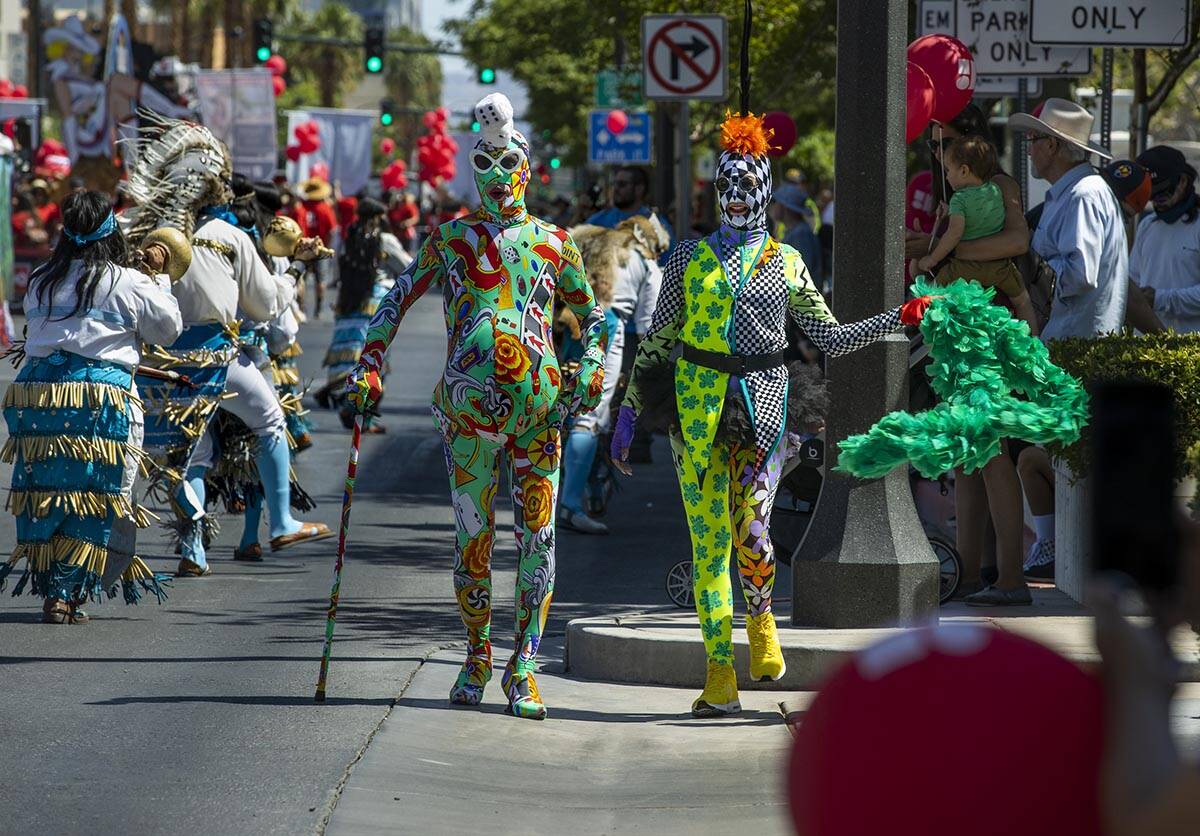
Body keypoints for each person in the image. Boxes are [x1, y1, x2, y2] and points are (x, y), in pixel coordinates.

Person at [611, 109, 935, 718]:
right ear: (717, 186)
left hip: (764, 408)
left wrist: (901, 318)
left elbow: (831, 339)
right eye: (726, 182)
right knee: (708, 548)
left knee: (754, 534)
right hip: (695, 406)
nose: (736, 195)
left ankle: (761, 622)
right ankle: (717, 676)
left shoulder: (787, 262)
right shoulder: (685, 258)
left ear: (764, 186)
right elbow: (657, 340)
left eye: (747, 183)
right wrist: (626, 414)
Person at [346, 93, 606, 721]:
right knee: (472, 541)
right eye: (483, 162)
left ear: (527, 167)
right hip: (466, 415)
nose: (494, 174)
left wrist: (594, 362)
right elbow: (398, 294)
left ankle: (526, 665)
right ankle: (477, 654)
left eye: (506, 161)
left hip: (540, 413)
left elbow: (594, 314)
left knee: (539, 539)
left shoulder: (554, 243)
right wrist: (369, 361)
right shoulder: (452, 238)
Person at [121, 118, 331, 577]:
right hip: (218, 362)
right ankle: (281, 521)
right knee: (271, 420)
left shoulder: (144, 240)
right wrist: (294, 269)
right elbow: (266, 305)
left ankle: (193, 550)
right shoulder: (229, 236)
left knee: (191, 455)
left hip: (158, 368)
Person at [1, 190, 183, 623]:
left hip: (38, 398)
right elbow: (169, 330)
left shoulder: (42, 277)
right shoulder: (128, 281)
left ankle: (55, 588)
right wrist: (158, 277)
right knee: (95, 493)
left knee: (47, 492)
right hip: (97, 398)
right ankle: (69, 589)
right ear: (111, 233)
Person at [907, 103, 1032, 605]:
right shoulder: (957, 193)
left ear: (968, 143)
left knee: (993, 450)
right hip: (959, 325)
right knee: (970, 453)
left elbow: (1017, 241)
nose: (936, 156)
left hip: (989, 324)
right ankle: (970, 568)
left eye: (943, 146)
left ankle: (1011, 578)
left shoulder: (999, 187)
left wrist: (948, 252)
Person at [558, 214, 669, 534]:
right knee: (591, 415)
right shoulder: (646, 262)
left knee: (571, 406)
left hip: (572, 326)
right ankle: (570, 506)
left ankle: (585, 485)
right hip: (607, 327)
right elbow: (651, 325)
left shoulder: (596, 242)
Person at [1010, 98, 1127, 342]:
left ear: (1052, 145)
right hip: (1071, 343)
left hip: (1074, 348)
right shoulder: (1077, 193)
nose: (1029, 150)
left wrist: (1031, 265)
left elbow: (1080, 276)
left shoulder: (1083, 195)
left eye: (1033, 140)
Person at [911, 135, 1039, 334]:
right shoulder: (996, 191)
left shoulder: (959, 199)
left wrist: (932, 257)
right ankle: (1033, 344)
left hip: (964, 269)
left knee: (930, 293)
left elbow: (954, 234)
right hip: (1001, 269)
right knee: (1022, 301)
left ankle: (918, 327)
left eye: (948, 170)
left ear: (963, 170)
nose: (946, 176)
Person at [316, 197, 411, 431]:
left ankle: (349, 404)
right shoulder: (384, 239)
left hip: (349, 302)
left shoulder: (347, 238)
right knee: (375, 359)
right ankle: (364, 417)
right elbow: (409, 267)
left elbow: (339, 272)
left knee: (350, 357)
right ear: (380, 217)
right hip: (377, 304)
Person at [1130, 146, 1200, 335]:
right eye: (1152, 195)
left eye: (1164, 192)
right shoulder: (1147, 226)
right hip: (1147, 349)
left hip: (1189, 349)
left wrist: (1161, 299)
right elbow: (1133, 280)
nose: (1158, 201)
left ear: (1183, 181)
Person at [298, 176, 338, 317]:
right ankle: (318, 308)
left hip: (303, 247)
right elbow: (332, 231)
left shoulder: (301, 207)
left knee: (301, 278)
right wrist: (326, 245)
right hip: (320, 247)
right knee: (321, 280)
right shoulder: (326, 209)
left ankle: (301, 308)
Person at [772, 183, 823, 279]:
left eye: (776, 202)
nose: (773, 206)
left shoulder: (800, 235)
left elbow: (801, 274)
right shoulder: (796, 231)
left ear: (785, 207)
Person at [387, 190, 419, 255]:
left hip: (407, 234)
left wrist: (406, 223)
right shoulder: (393, 208)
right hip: (396, 234)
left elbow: (415, 218)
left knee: (408, 253)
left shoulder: (409, 206)